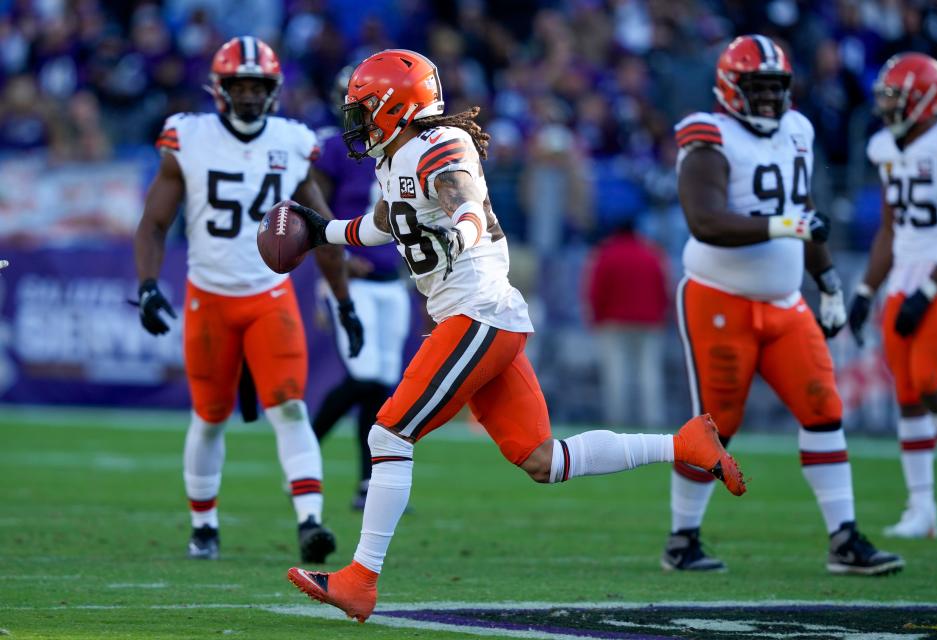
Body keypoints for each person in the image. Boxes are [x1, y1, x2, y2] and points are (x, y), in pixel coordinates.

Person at [284, 48, 746, 623]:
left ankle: (360, 578)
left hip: (477, 313)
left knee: (389, 434)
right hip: (481, 316)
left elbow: (463, 197)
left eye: (363, 109)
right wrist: (321, 230)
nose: (355, 122)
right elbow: (386, 223)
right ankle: (684, 446)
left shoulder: (437, 146)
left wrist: (466, 229)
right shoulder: (398, 158)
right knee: (541, 460)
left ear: (396, 107)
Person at [663, 35, 903, 576]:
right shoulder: (708, 134)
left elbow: (806, 210)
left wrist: (830, 282)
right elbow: (704, 220)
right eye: (758, 88)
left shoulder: (798, 129)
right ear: (730, 87)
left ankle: (844, 539)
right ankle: (682, 539)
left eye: (776, 88)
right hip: (718, 297)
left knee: (824, 408)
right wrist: (784, 225)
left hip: (786, 300)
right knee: (716, 423)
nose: (770, 99)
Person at [133, 37, 364, 563]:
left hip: (268, 297)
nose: (248, 95)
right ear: (218, 88)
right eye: (238, 85)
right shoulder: (188, 137)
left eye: (257, 86)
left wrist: (344, 301)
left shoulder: (293, 141)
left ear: (274, 91)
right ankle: (204, 525)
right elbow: (154, 222)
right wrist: (147, 284)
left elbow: (321, 229)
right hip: (209, 298)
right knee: (210, 416)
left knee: (289, 406)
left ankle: (310, 522)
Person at [848, 52, 937, 538]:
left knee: (931, 381)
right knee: (907, 393)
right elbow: (890, 232)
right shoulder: (885, 149)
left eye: (898, 97)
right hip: (904, 277)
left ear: (925, 100)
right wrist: (865, 290)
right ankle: (920, 508)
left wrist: (931, 288)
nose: (889, 107)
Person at [310, 66, 411, 511]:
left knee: (382, 387)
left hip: (394, 281)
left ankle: (368, 483)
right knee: (365, 376)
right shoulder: (334, 148)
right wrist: (336, 264)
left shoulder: (406, 145)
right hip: (355, 279)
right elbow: (316, 211)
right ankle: (303, 447)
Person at [584, 219, 670, 427]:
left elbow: (595, 290)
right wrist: (661, 316)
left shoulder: (606, 253)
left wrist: (595, 317)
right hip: (649, 322)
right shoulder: (652, 253)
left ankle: (618, 418)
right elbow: (664, 288)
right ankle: (653, 418)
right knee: (649, 372)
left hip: (614, 322)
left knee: (616, 372)